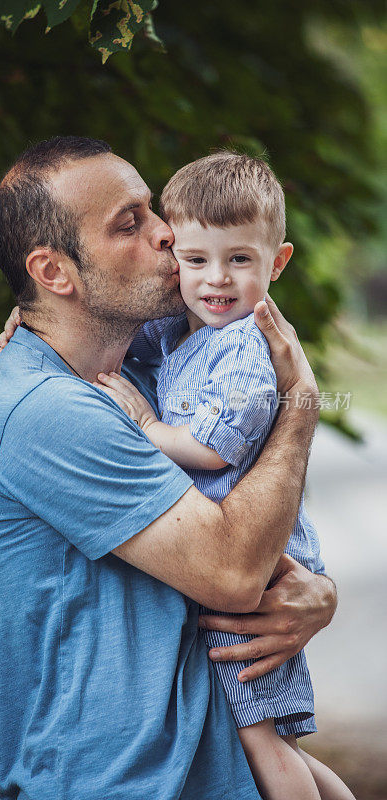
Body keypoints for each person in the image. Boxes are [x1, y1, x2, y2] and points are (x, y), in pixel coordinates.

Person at [0, 135, 337, 800]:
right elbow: (230, 572)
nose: (167, 234)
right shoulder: (46, 410)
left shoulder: (144, 367)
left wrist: (315, 593)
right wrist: (299, 404)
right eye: (129, 224)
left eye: (152, 210)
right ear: (54, 274)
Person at [93, 151, 354, 800]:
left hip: (263, 561)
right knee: (250, 732)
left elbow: (215, 448)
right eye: (195, 259)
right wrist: (32, 322)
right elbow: (115, 340)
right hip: (226, 550)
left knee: (260, 739)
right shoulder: (184, 330)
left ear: (276, 262)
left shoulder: (243, 346)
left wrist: (149, 430)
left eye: (239, 259)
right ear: (171, 256)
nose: (215, 280)